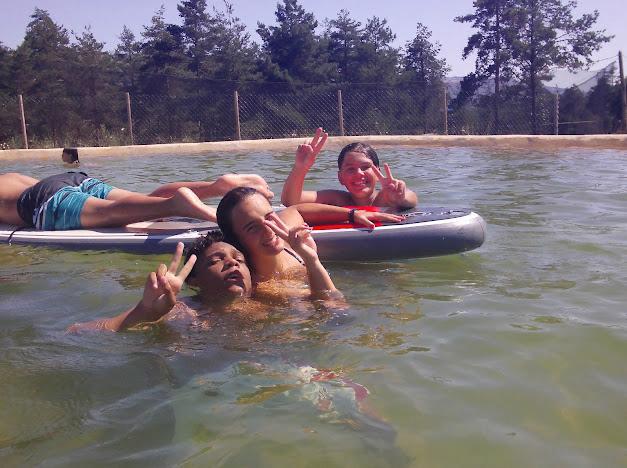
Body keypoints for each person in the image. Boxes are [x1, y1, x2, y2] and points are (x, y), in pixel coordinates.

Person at [68, 224, 340, 332]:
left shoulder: (270, 298)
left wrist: (312, 261)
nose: (232, 262)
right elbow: (79, 330)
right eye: (215, 260)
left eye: (239, 259)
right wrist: (146, 312)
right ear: (194, 281)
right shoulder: (184, 310)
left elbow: (335, 309)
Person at [216, 186, 404, 283]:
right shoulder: (256, 284)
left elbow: (297, 210)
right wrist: (311, 259)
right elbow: (331, 305)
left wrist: (352, 214)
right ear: (236, 240)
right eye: (252, 228)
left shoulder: (285, 234)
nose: (269, 229)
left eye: (269, 217)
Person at [0, 171, 273, 230]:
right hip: (70, 180)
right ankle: (216, 187)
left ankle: (174, 204)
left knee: (109, 213)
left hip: (39, 201)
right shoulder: (7, 176)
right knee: (143, 202)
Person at [281, 127, 418, 210]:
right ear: (340, 178)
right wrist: (300, 168)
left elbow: (412, 198)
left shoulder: (385, 197)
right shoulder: (338, 200)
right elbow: (291, 201)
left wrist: (400, 197)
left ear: (378, 173)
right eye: (350, 169)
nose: (359, 174)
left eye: (365, 167)